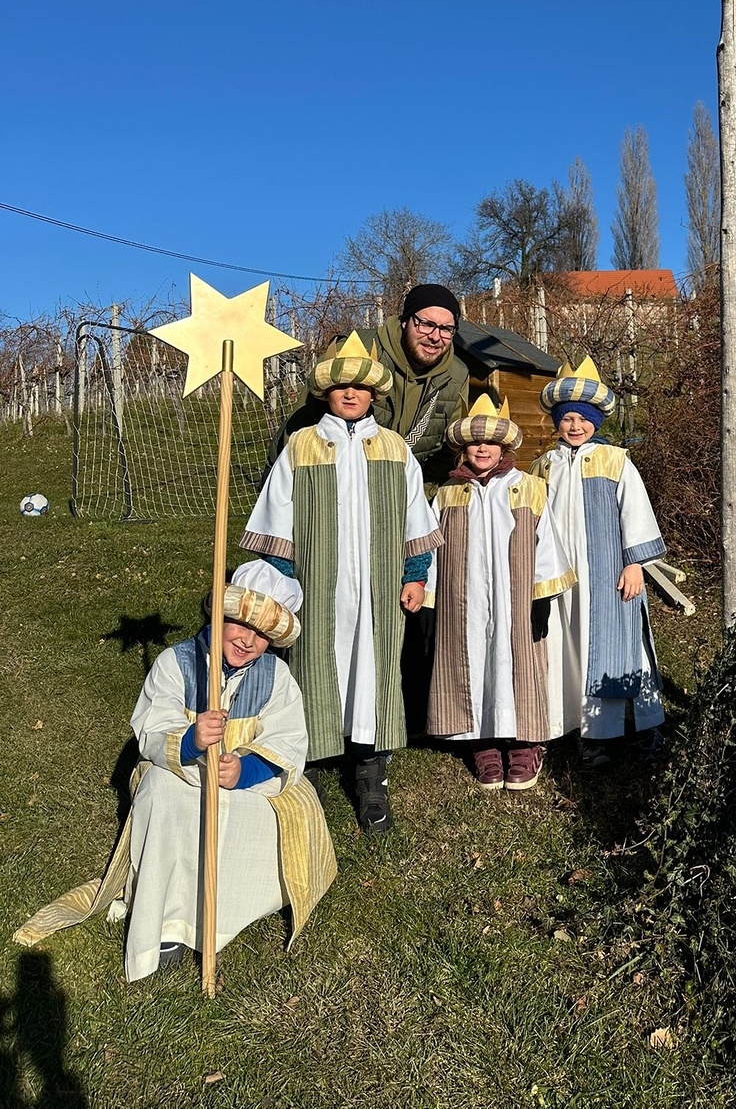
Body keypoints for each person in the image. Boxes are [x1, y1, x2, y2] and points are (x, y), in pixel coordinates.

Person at [14, 574, 336, 982]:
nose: (247, 640)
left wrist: (246, 769)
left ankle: (230, 910)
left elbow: (287, 741)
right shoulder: (176, 663)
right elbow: (151, 729)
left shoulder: (277, 677)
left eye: (261, 634)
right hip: (182, 776)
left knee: (274, 817)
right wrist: (191, 740)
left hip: (246, 786)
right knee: (163, 796)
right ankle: (167, 920)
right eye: (239, 624)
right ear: (219, 616)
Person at [240, 331, 442, 832]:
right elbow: (278, 518)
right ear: (326, 392)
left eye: (360, 387)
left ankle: (370, 770)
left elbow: (415, 520)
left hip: (379, 588)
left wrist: (416, 576)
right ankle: (306, 759)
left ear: (374, 394)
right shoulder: (302, 447)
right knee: (313, 665)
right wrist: (285, 582)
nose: (351, 394)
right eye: (341, 387)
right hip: (317, 586)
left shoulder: (394, 449)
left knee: (376, 669)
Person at [425, 395, 575, 792]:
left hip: (516, 601)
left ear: (504, 447)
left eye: (491, 443)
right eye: (475, 442)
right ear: (463, 448)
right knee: (471, 662)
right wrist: (430, 600)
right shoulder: (448, 493)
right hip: (464, 602)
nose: (482, 449)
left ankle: (525, 742)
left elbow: (546, 542)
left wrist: (541, 597)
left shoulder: (527, 488)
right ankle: (482, 741)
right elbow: (433, 550)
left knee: (519, 662)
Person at [529, 357, 667, 765]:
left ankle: (645, 728)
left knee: (624, 647)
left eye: (582, 419)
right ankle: (586, 733)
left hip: (609, 576)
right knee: (569, 650)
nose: (575, 426)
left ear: (596, 421)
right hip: (562, 579)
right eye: (567, 418)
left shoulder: (615, 460)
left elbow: (635, 512)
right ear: (557, 421)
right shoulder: (543, 466)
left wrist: (635, 563)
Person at [270, 284, 469, 492]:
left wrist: (422, 497)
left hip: (404, 490)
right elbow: (301, 425)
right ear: (405, 322)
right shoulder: (357, 350)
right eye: (426, 324)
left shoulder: (457, 375)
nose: (435, 337)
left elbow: (449, 452)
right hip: (332, 485)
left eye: (446, 329)